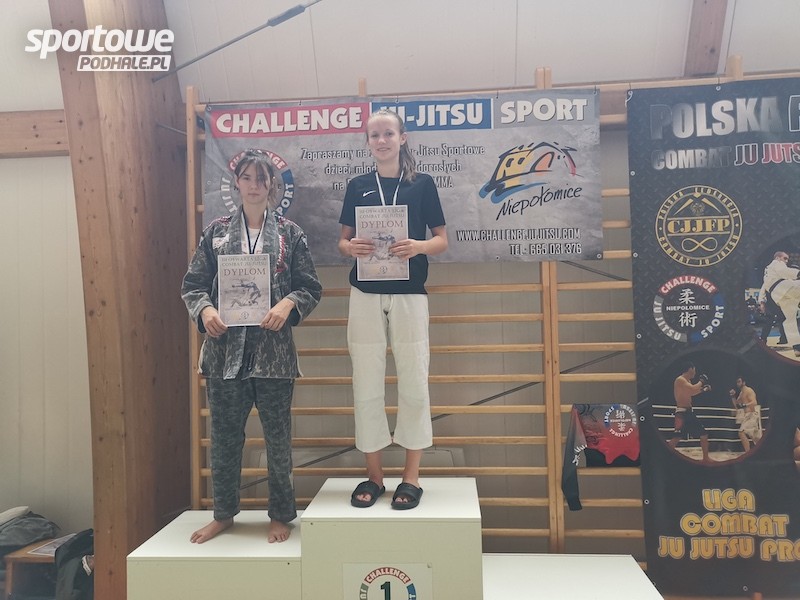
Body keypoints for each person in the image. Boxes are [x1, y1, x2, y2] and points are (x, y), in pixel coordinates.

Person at [181, 149, 322, 543]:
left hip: (273, 355)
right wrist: (206, 310)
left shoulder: (290, 234)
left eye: (262, 179)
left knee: (278, 439)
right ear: (237, 182)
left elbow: (310, 287)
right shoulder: (215, 233)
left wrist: (288, 303)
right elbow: (193, 285)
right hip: (224, 352)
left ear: (272, 184)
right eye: (247, 177)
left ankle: (281, 515)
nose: (255, 185)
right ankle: (223, 514)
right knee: (225, 439)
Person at [338, 108, 448, 510]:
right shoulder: (358, 186)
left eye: (388, 133)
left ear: (402, 138)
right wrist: (351, 247)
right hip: (365, 292)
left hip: (409, 292)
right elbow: (343, 242)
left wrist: (418, 246)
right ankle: (374, 476)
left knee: (414, 380)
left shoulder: (422, 184)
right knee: (365, 381)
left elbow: (441, 239)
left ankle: (411, 477)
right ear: (368, 142)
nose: (381, 141)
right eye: (374, 135)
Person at [667, 361, 712, 464]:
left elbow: (692, 392)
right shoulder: (680, 379)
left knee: (703, 434)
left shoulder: (687, 381)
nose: (695, 373)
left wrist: (704, 389)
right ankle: (664, 455)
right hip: (682, 413)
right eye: (694, 370)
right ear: (690, 369)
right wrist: (701, 381)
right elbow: (692, 388)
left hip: (688, 413)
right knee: (677, 437)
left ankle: (706, 458)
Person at [760, 251, 800, 356]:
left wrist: (761, 301)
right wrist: (798, 273)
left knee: (790, 320)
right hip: (784, 288)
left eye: (787, 259)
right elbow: (784, 271)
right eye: (785, 258)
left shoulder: (768, 271)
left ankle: (797, 348)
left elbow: (763, 288)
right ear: (778, 258)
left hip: (778, 296)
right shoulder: (776, 263)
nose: (786, 261)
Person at [730, 375, 762, 452]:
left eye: (739, 381)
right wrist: (733, 396)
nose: (737, 383)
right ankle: (764, 451)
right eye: (737, 382)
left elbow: (754, 402)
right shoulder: (741, 393)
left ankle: (747, 453)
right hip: (747, 416)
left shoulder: (749, 390)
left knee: (741, 432)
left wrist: (745, 405)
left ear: (744, 382)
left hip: (752, 415)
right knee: (756, 438)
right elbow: (737, 406)